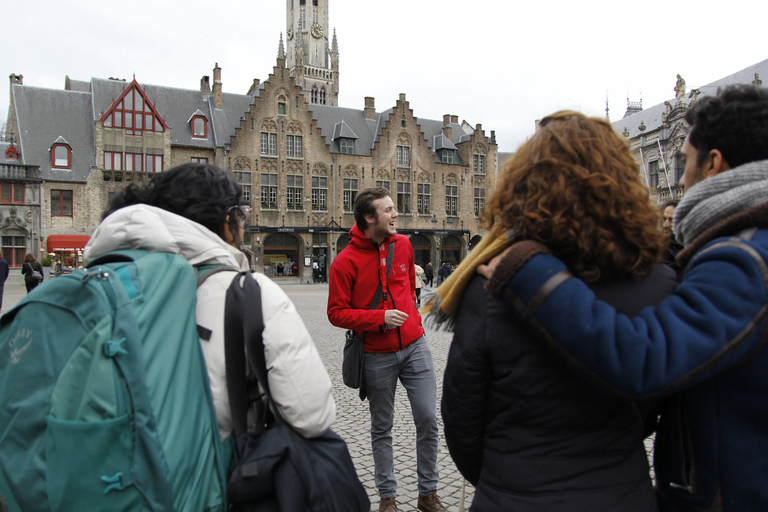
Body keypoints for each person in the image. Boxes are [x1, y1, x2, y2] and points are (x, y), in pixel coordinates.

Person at [479, 85, 768, 511]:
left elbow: (646, 360)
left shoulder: (744, 258)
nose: (680, 180)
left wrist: (530, 270)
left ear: (713, 164)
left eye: (684, 163)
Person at [424, 111, 677, 511]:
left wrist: (504, 476)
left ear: (523, 185)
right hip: (621, 491)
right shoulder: (657, 282)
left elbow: (462, 414)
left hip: (512, 493)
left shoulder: (492, 281)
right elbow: (652, 405)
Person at [84, 163, 335, 440]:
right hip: (207, 470)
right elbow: (312, 416)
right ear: (227, 224)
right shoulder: (249, 294)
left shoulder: (92, 284)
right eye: (243, 215)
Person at [327, 188, 446, 512]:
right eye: (389, 210)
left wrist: (409, 321)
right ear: (369, 217)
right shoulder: (344, 262)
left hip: (415, 346)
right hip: (376, 356)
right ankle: (388, 497)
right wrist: (379, 318)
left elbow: (408, 287)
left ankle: (428, 492)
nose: (396, 215)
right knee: (382, 427)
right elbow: (336, 313)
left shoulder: (404, 246)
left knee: (428, 418)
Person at [661, 200, 683, 277]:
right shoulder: (657, 252)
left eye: (672, 220)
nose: (665, 225)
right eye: (664, 219)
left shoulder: (696, 252)